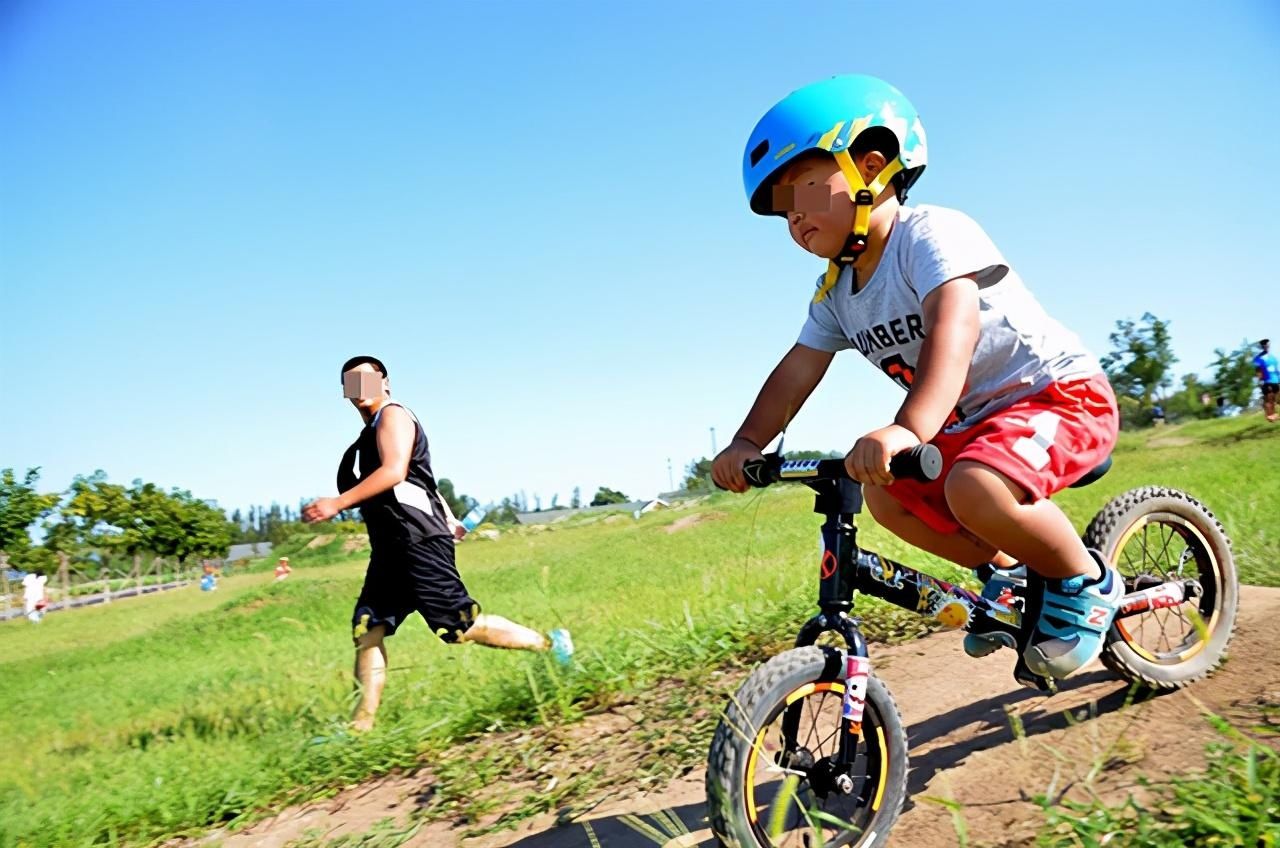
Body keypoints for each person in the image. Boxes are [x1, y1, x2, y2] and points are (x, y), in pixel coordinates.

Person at [712, 75, 1123, 681]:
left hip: (1058, 397)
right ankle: (1008, 575)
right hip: (973, 425)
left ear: (871, 166)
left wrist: (909, 427)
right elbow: (796, 370)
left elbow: (952, 328)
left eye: (801, 187)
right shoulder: (835, 293)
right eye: (781, 208)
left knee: (973, 486)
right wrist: (750, 442)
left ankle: (1086, 581)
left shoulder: (929, 234)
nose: (793, 216)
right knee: (886, 496)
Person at [303, 356, 573, 732]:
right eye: (352, 383)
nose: (360, 388)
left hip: (415, 540)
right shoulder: (366, 437)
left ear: (386, 383)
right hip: (392, 547)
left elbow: (396, 471)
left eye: (367, 379)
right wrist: (449, 519)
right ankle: (360, 728)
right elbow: (423, 482)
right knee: (369, 628)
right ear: (346, 393)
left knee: (457, 626)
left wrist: (336, 503)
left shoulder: (393, 415)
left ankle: (550, 644)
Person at [1254, 338, 1279, 422]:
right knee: (1269, 399)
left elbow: (1276, 369)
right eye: (1264, 345)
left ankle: (1273, 415)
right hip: (1266, 381)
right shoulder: (1259, 358)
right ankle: (1270, 416)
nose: (1266, 346)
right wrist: (1260, 381)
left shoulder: (1273, 358)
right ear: (1261, 346)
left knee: (1275, 399)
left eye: (1267, 344)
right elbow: (1258, 370)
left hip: (1276, 380)